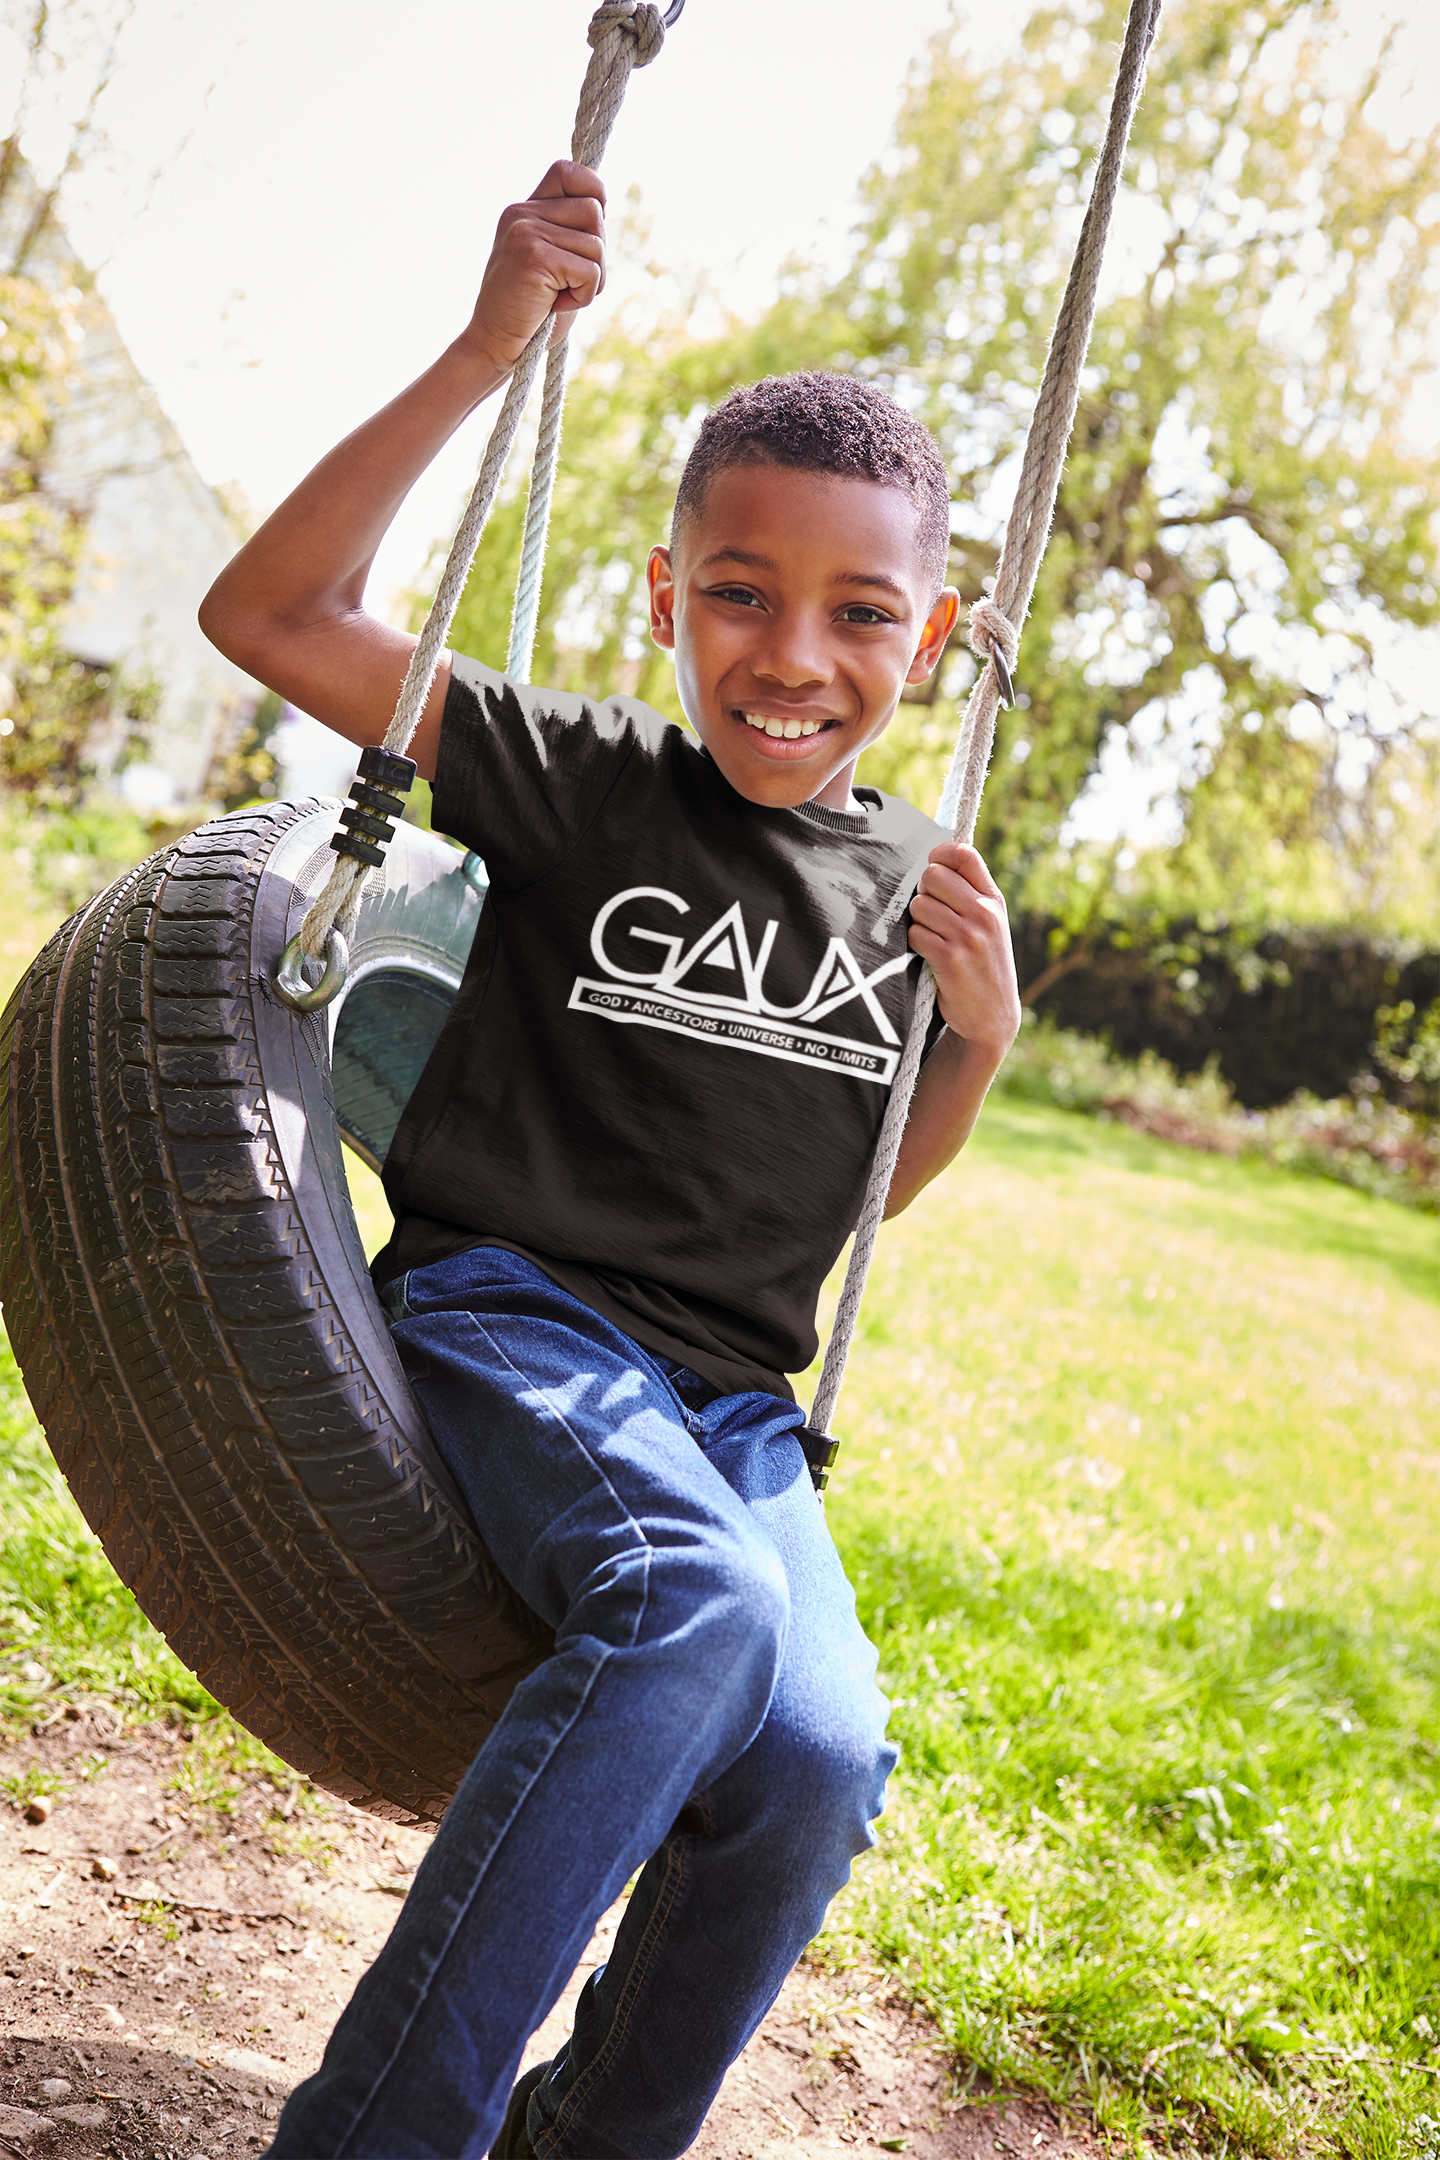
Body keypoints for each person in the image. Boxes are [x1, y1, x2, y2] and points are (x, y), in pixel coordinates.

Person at [200, 157, 1021, 2160]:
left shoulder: (921, 881)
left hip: (739, 1410)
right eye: (737, 593)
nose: (791, 655)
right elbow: (271, 612)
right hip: (519, 1316)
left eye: (860, 613)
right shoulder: (579, 780)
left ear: (935, 635)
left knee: (825, 1759)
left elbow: (838, 1204)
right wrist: (488, 351)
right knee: (691, 1609)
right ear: (669, 596)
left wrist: (980, 1045)